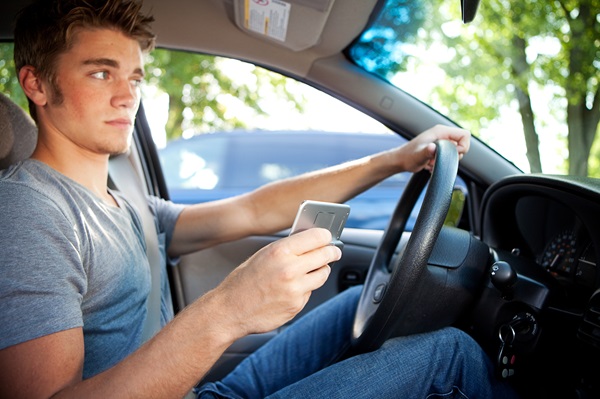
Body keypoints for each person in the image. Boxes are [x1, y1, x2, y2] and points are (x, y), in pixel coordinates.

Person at [0, 0, 517, 398]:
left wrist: (395, 160)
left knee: (358, 303)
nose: (126, 94)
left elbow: (254, 209)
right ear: (37, 84)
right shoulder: (29, 213)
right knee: (449, 357)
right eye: (100, 72)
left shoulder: (122, 202)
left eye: (133, 76)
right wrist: (229, 309)